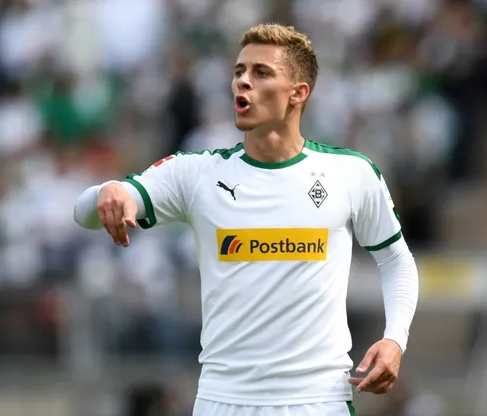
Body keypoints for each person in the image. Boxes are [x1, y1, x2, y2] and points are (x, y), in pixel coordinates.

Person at [74, 23, 419, 416]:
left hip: (318, 401)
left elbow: (396, 260)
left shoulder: (350, 173)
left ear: (298, 93)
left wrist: (395, 338)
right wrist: (108, 191)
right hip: (223, 401)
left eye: (261, 72)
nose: (242, 81)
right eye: (239, 71)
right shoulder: (198, 174)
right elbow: (86, 212)